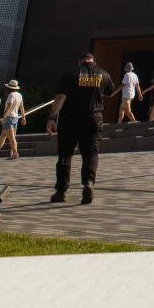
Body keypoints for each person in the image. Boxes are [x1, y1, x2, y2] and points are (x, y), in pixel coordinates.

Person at [47, 48, 116, 204]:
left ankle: (61, 192)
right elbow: (110, 92)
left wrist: (52, 118)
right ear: (93, 60)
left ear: (80, 61)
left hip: (70, 120)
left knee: (65, 155)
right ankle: (89, 183)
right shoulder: (103, 74)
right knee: (91, 153)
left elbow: (60, 97)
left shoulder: (71, 74)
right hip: (94, 119)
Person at [0, 79, 26, 160]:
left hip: (9, 118)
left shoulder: (11, 95)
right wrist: (23, 117)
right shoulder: (19, 95)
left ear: (9, 88)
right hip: (15, 118)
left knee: (11, 138)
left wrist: (2, 116)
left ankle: (15, 154)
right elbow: (21, 107)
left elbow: (9, 106)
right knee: (2, 138)